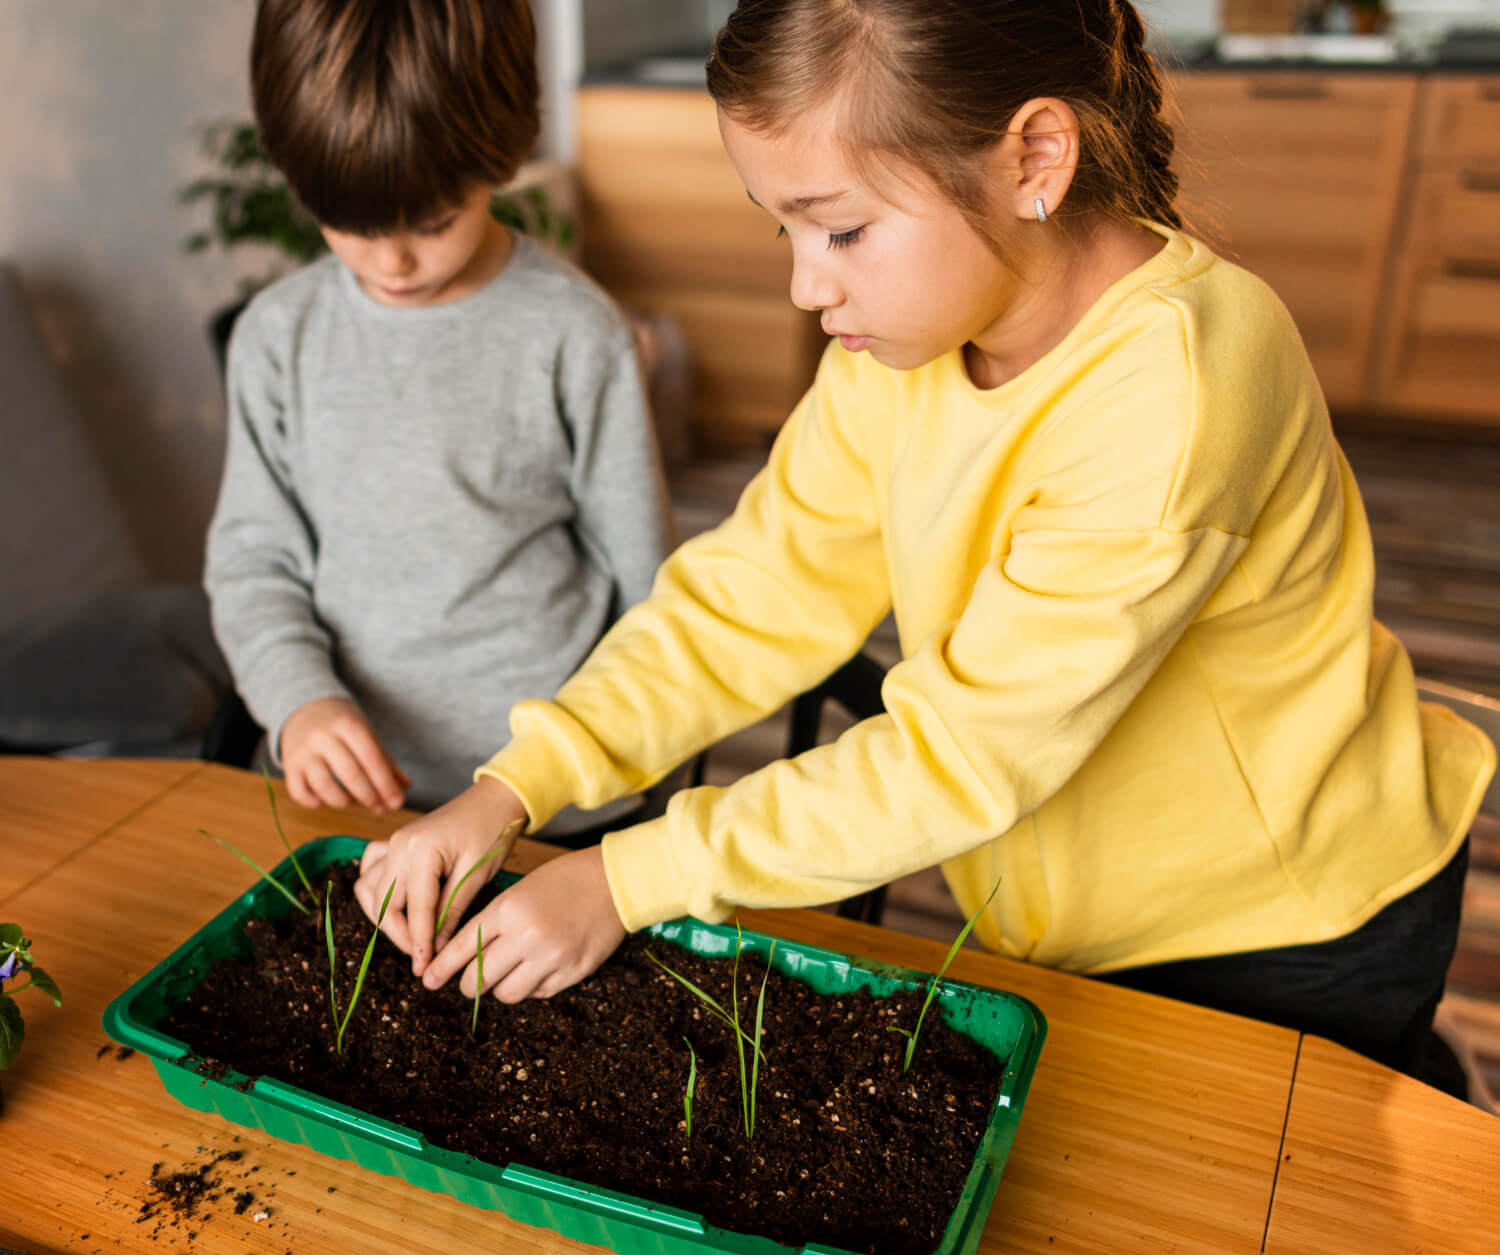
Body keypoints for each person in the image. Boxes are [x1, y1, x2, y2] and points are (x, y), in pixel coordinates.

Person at [353, 0, 1494, 1075]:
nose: (807, 284)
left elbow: (962, 756)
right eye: (789, 228)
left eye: (843, 230)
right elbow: (757, 593)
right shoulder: (902, 345)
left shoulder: (1179, 386)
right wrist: (519, 783)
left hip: (1285, 924)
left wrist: (633, 874)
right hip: (1075, 912)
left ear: (1034, 160)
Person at [204, 0, 672, 831]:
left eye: (432, 222)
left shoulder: (576, 332)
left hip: (553, 809)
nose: (392, 260)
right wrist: (299, 699)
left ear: (504, 148)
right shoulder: (275, 339)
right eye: (349, 222)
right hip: (351, 801)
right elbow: (252, 562)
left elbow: (647, 588)